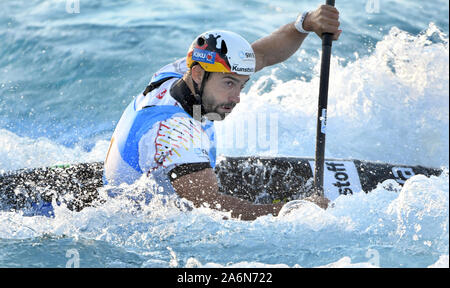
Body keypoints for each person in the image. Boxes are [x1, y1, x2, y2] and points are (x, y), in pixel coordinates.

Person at [104, 5, 341, 220]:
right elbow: (213, 207)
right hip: (142, 221)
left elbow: (263, 55)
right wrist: (300, 210)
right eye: (229, 83)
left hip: (162, 180)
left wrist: (305, 23)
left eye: (241, 85)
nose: (237, 97)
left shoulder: (177, 74)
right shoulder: (175, 133)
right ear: (198, 74)